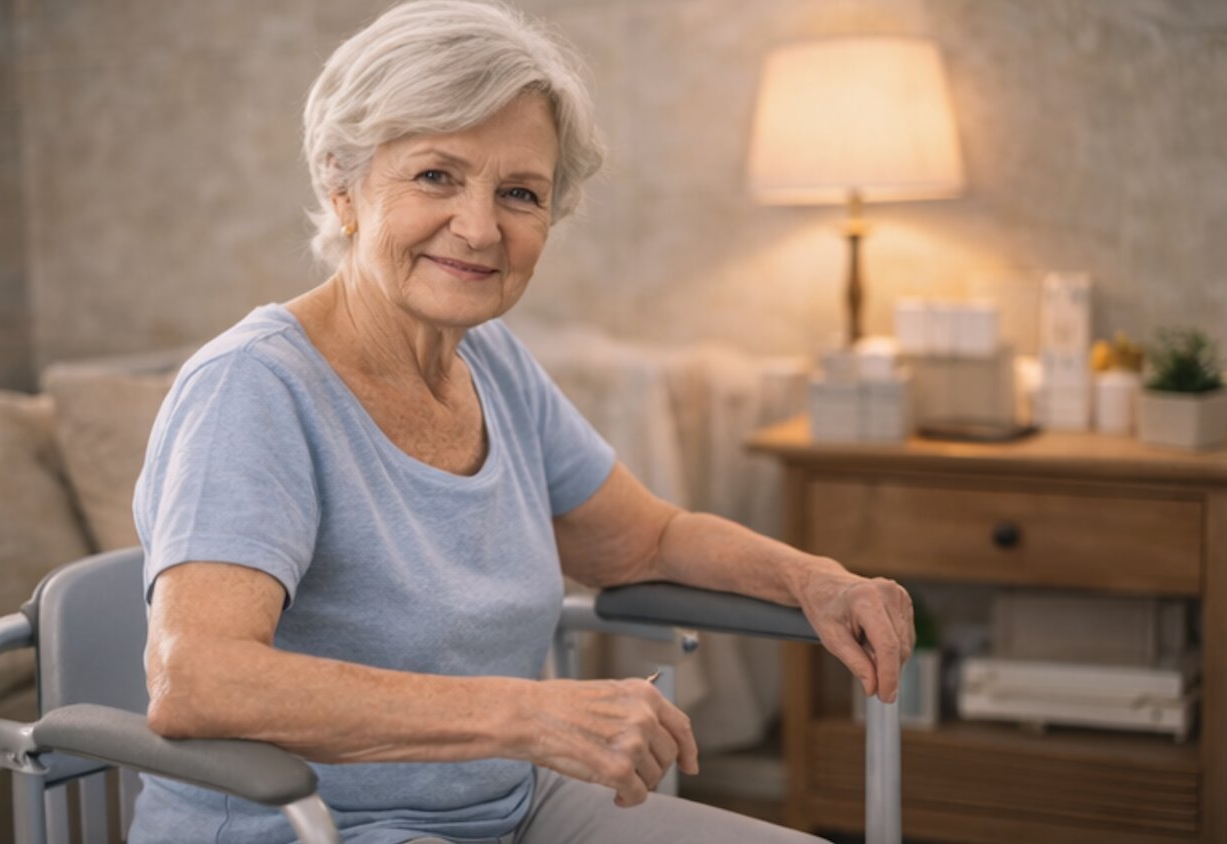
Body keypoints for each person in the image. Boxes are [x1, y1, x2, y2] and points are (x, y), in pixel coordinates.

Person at [131, 1, 915, 841]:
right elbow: (199, 680)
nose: (479, 227)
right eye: (435, 175)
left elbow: (644, 541)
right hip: (315, 825)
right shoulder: (253, 387)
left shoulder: (491, 361)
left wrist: (816, 581)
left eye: (519, 193)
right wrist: (529, 717)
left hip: (503, 811)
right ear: (343, 185)